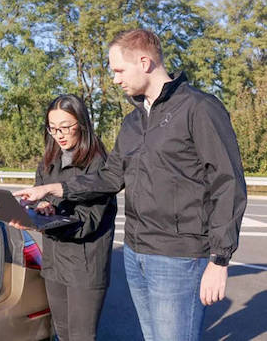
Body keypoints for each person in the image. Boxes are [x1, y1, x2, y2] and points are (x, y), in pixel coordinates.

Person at [14, 29, 247, 341]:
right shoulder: (133, 122)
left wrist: (220, 259)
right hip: (136, 254)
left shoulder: (199, 108)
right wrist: (52, 189)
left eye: (119, 70)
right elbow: (110, 178)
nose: (115, 79)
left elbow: (227, 183)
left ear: (145, 62)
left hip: (178, 257)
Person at [11, 94, 117, 341]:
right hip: (54, 263)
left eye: (65, 127)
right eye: (53, 128)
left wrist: (49, 218)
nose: (59, 135)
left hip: (85, 267)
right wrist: (39, 210)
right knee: (61, 333)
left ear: (82, 124)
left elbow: (88, 222)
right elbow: (42, 200)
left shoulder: (99, 166)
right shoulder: (49, 161)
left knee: (81, 337)